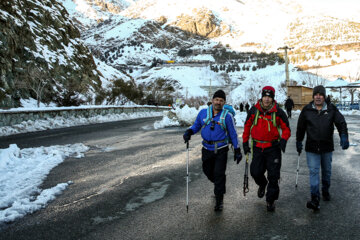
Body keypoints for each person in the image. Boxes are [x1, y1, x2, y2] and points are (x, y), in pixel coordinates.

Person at [183, 90, 242, 211]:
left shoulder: (227, 116)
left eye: (221, 100)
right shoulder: (203, 113)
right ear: (212, 100)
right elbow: (196, 126)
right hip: (206, 149)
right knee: (208, 171)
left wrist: (237, 149)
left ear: (224, 102)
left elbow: (233, 134)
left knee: (219, 174)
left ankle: (219, 199)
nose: (218, 102)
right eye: (216, 100)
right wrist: (189, 132)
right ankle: (219, 185)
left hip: (221, 149)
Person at [296, 85, 349, 211]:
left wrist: (343, 135)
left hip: (326, 148)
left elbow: (341, 122)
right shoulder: (307, 110)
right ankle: (315, 199)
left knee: (327, 172)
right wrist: (298, 141)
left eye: (321, 94)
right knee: (314, 172)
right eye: (316, 94)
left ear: (324, 96)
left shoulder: (331, 109)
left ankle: (326, 190)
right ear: (313, 96)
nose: (318, 97)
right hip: (312, 148)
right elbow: (300, 127)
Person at [242, 86, 291, 212]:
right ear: (262, 97)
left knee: (273, 176)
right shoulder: (254, 111)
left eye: (269, 97)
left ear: (272, 98)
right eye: (265, 96)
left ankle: (270, 200)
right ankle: (262, 184)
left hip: (273, 148)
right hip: (258, 147)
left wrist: (284, 140)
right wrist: (245, 143)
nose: (267, 99)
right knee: (255, 172)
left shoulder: (279, 112)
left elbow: (286, 129)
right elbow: (247, 126)